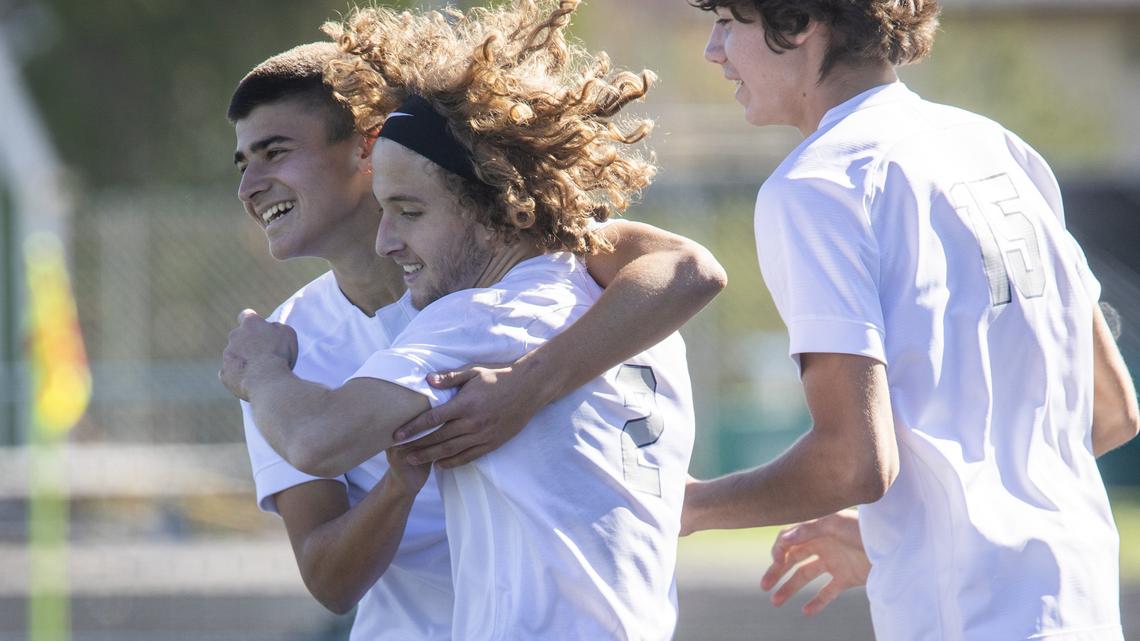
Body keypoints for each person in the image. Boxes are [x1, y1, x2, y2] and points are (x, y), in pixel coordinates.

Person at [221, 2, 711, 638]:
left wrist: (524, 387)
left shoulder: (511, 292)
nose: (249, 186)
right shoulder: (577, 278)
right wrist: (400, 483)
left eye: (275, 151)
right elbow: (330, 579)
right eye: (243, 162)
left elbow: (689, 266)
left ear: (371, 147)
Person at [675, 1, 1140, 640]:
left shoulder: (818, 185)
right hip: (1084, 612)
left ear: (800, 20)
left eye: (730, 22)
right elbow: (1111, 411)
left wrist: (688, 505)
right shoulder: (998, 148)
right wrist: (907, 529)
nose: (713, 50)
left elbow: (852, 464)